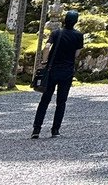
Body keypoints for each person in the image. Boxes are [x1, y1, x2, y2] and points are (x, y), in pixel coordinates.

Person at [32, 9, 84, 139]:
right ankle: (55, 130)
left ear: (64, 20)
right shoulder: (78, 35)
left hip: (52, 70)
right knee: (61, 102)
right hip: (67, 71)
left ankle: (36, 129)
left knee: (45, 100)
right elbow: (77, 53)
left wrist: (44, 62)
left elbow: (47, 47)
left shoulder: (56, 33)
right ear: (75, 22)